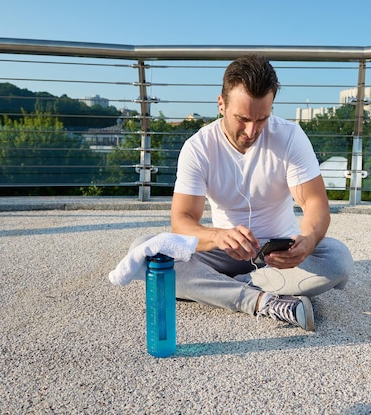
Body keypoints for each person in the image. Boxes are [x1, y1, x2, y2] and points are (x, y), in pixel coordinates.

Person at [132, 54, 353, 331]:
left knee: (337, 258)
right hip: (223, 252)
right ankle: (262, 301)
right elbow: (182, 220)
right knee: (146, 250)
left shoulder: (290, 136)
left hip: (279, 255)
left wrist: (307, 240)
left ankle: (219, 288)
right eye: (243, 118)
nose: (252, 131)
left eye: (262, 118)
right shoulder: (198, 147)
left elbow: (315, 202)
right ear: (221, 104)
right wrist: (219, 236)